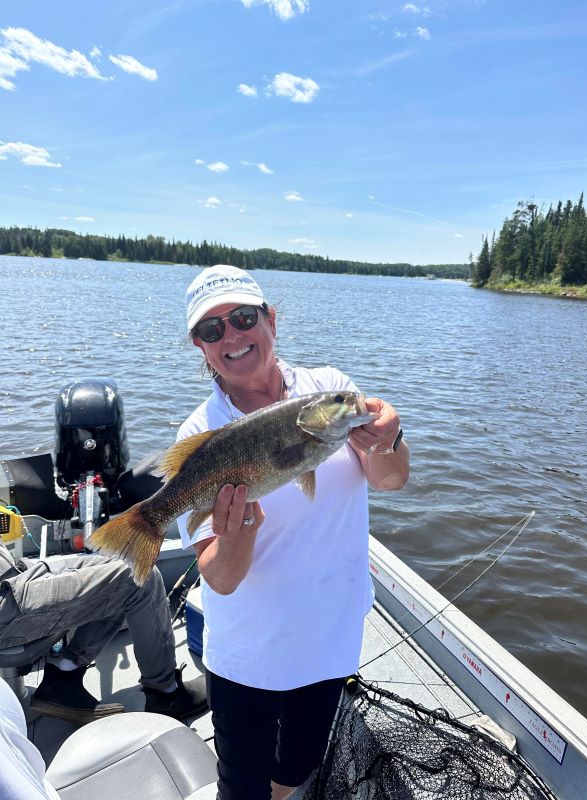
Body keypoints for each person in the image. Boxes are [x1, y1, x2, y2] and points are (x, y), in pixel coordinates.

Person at [177, 264, 410, 800]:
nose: (232, 336)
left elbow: (391, 480)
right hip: (250, 650)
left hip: (332, 632)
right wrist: (238, 535)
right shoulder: (201, 432)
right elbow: (222, 580)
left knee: (298, 766)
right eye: (212, 330)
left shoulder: (330, 391)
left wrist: (388, 438)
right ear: (201, 347)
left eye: (242, 317)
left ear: (270, 319)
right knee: (242, 783)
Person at [0, 538, 208, 725]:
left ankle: (64, 678)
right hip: (6, 603)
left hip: (16, 572)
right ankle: (167, 695)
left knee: (123, 560)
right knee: (141, 577)